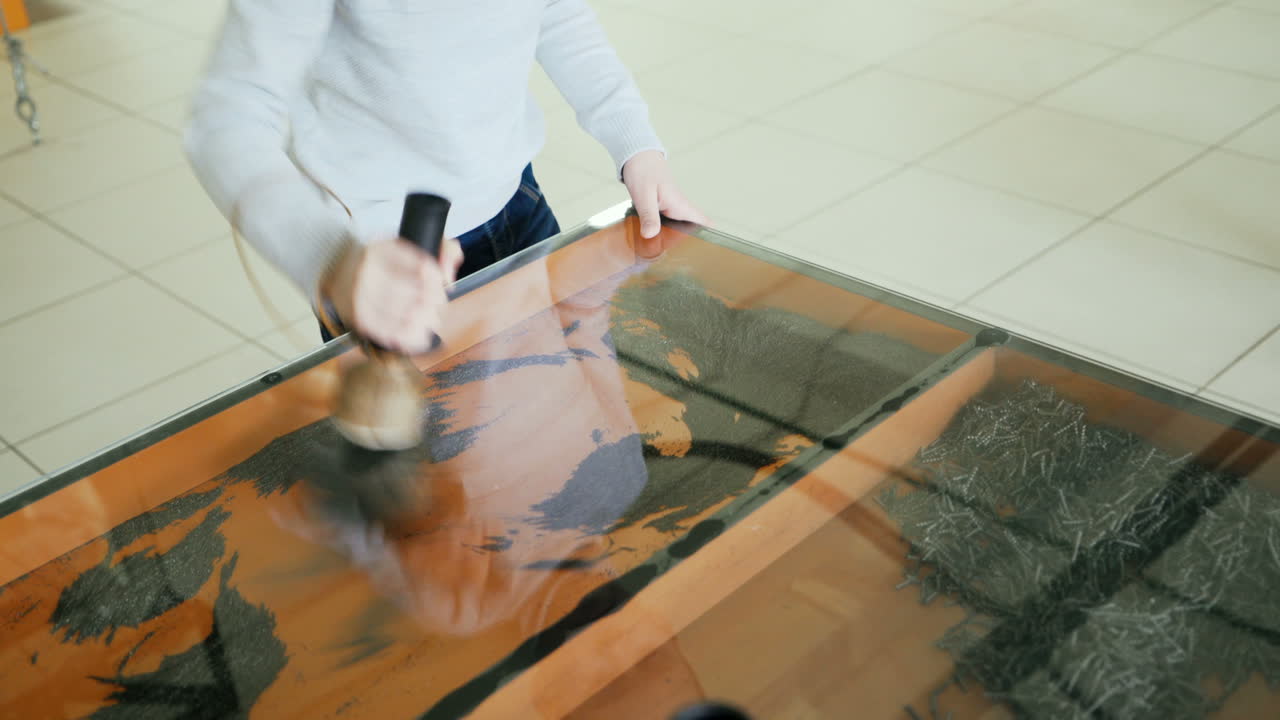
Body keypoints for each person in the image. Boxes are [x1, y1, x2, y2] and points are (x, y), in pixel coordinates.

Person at [185, 0, 707, 353]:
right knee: (437, 495)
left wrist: (634, 143)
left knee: (574, 441)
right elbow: (224, 124)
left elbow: (555, 11)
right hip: (387, 263)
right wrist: (333, 262)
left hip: (518, 206)